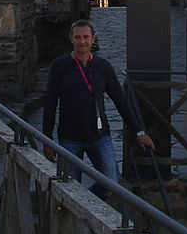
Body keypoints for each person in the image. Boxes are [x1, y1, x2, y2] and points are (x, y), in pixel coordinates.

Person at [42, 19, 155, 197]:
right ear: (71, 39)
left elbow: (120, 100)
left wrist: (139, 131)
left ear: (93, 39)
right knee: (70, 189)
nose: (82, 41)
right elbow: (49, 104)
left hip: (99, 136)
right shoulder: (60, 66)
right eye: (78, 37)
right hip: (70, 138)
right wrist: (47, 139)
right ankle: (80, 211)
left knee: (111, 182)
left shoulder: (103, 67)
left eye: (86, 37)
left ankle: (86, 203)